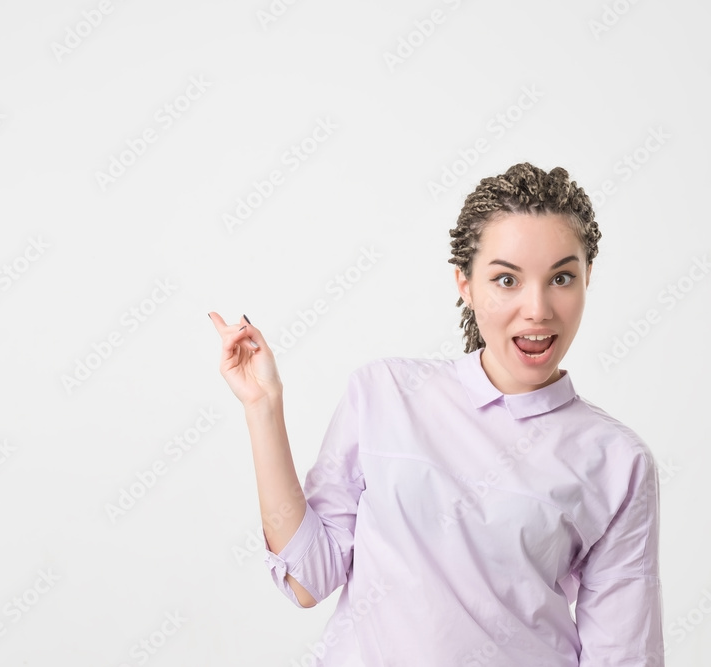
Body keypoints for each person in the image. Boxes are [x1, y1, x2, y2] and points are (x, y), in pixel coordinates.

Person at [208, 162, 665, 665]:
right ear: (465, 284)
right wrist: (262, 406)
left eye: (561, 277)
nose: (537, 309)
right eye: (506, 279)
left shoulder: (619, 461)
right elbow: (307, 579)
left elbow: (625, 656)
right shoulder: (385, 393)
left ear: (587, 279)